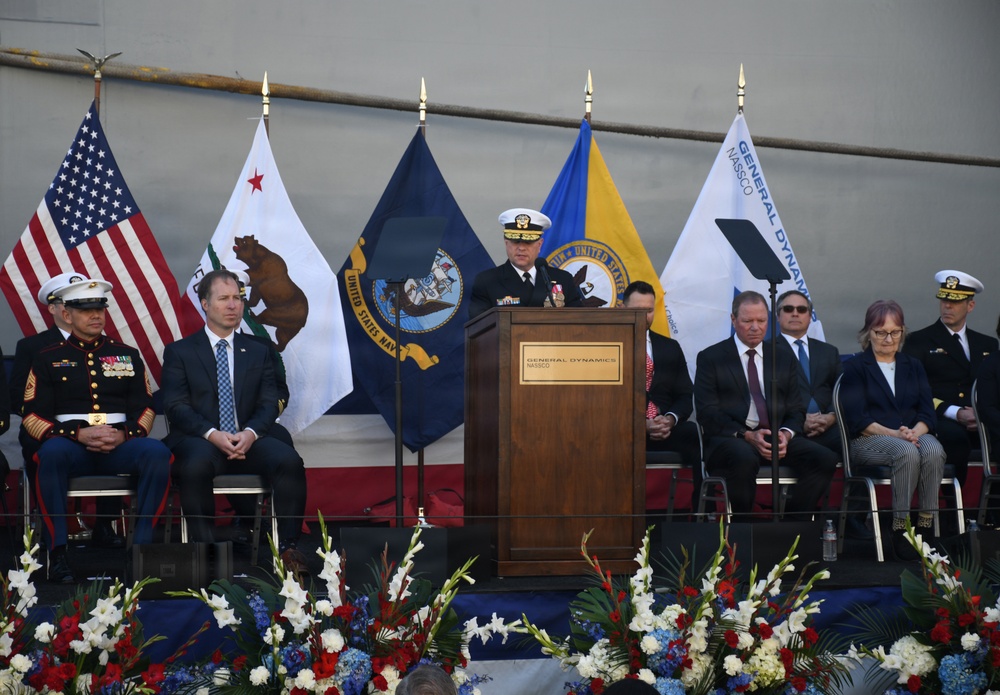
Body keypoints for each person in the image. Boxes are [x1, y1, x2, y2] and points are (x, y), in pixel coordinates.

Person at [21, 277, 172, 583]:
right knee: (49, 454)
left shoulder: (127, 354)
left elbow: (145, 408)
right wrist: (77, 433)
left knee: (158, 453)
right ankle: (58, 552)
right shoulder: (47, 357)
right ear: (67, 315)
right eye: (85, 310)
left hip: (120, 445)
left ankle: (141, 550)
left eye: (99, 309)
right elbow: (32, 415)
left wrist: (123, 434)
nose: (95, 315)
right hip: (71, 446)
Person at [161, 269, 308, 577]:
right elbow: (175, 406)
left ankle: (288, 549)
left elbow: (269, 401)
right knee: (195, 466)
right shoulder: (180, 352)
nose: (233, 305)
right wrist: (212, 434)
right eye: (223, 299)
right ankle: (204, 551)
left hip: (249, 438)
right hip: (202, 439)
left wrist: (251, 433)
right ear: (205, 304)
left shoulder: (259, 349)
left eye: (238, 299)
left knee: (289, 460)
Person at [693, 291, 837, 519]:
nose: (755, 327)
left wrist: (786, 434)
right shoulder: (712, 357)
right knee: (744, 456)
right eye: (747, 321)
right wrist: (747, 435)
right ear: (733, 320)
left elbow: (796, 409)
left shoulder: (781, 357)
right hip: (733, 440)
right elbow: (707, 413)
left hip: (774, 437)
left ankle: (792, 525)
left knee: (824, 458)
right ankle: (744, 529)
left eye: (761, 321)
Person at [10, 272, 126, 549]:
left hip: (101, 428)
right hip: (49, 428)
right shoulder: (33, 347)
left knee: (111, 436)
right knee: (42, 448)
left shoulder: (110, 347)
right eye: (69, 302)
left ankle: (105, 523)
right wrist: (62, 428)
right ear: (55, 309)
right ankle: (54, 525)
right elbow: (19, 399)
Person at [839, 300, 945, 561]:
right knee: (906, 452)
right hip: (867, 440)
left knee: (934, 450)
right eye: (881, 332)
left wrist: (914, 432)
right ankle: (901, 528)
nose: (888, 339)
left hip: (913, 435)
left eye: (895, 332)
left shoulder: (913, 365)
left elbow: (927, 413)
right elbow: (859, 420)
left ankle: (926, 524)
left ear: (902, 332)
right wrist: (898, 435)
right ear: (868, 332)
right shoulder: (855, 367)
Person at [768, 290, 872, 539]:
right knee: (821, 459)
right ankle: (795, 522)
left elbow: (845, 392)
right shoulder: (767, 352)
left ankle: (853, 517)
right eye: (788, 309)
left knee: (864, 447)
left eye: (801, 309)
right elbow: (763, 396)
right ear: (778, 316)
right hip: (789, 430)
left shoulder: (828, 351)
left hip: (828, 426)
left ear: (810, 315)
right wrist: (797, 420)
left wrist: (833, 417)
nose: (795, 314)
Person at [903, 270, 998, 488]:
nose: (947, 306)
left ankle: (991, 503)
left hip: (981, 416)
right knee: (955, 439)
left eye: (955, 302)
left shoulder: (987, 344)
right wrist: (956, 412)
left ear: (970, 306)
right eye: (944, 300)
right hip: (940, 417)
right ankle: (954, 503)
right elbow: (913, 390)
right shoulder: (918, 341)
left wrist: (981, 412)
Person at [621, 280, 701, 512]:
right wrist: (640, 424)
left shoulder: (670, 347)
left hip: (664, 428)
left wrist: (670, 419)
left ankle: (698, 513)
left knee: (693, 433)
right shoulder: (609, 347)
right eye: (637, 310)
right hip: (625, 431)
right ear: (623, 309)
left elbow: (685, 395)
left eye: (648, 310)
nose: (644, 316)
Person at [468, 207, 583, 319]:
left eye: (528, 242)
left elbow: (580, 320)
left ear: (539, 244)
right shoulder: (487, 281)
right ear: (506, 243)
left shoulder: (563, 279)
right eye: (515, 241)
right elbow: (479, 325)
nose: (521, 248)